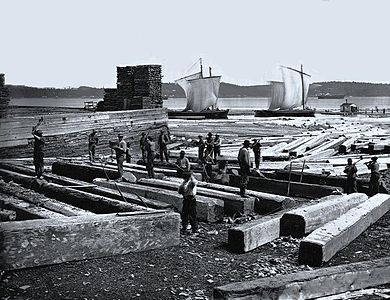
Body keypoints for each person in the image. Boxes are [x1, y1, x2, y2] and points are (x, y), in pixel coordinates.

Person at [178, 170, 198, 235]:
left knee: (192, 215)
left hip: (191, 200)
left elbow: (194, 182)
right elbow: (180, 191)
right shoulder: (184, 183)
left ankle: (194, 229)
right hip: (186, 200)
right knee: (184, 215)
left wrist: (191, 176)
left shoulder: (192, 182)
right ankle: (184, 228)